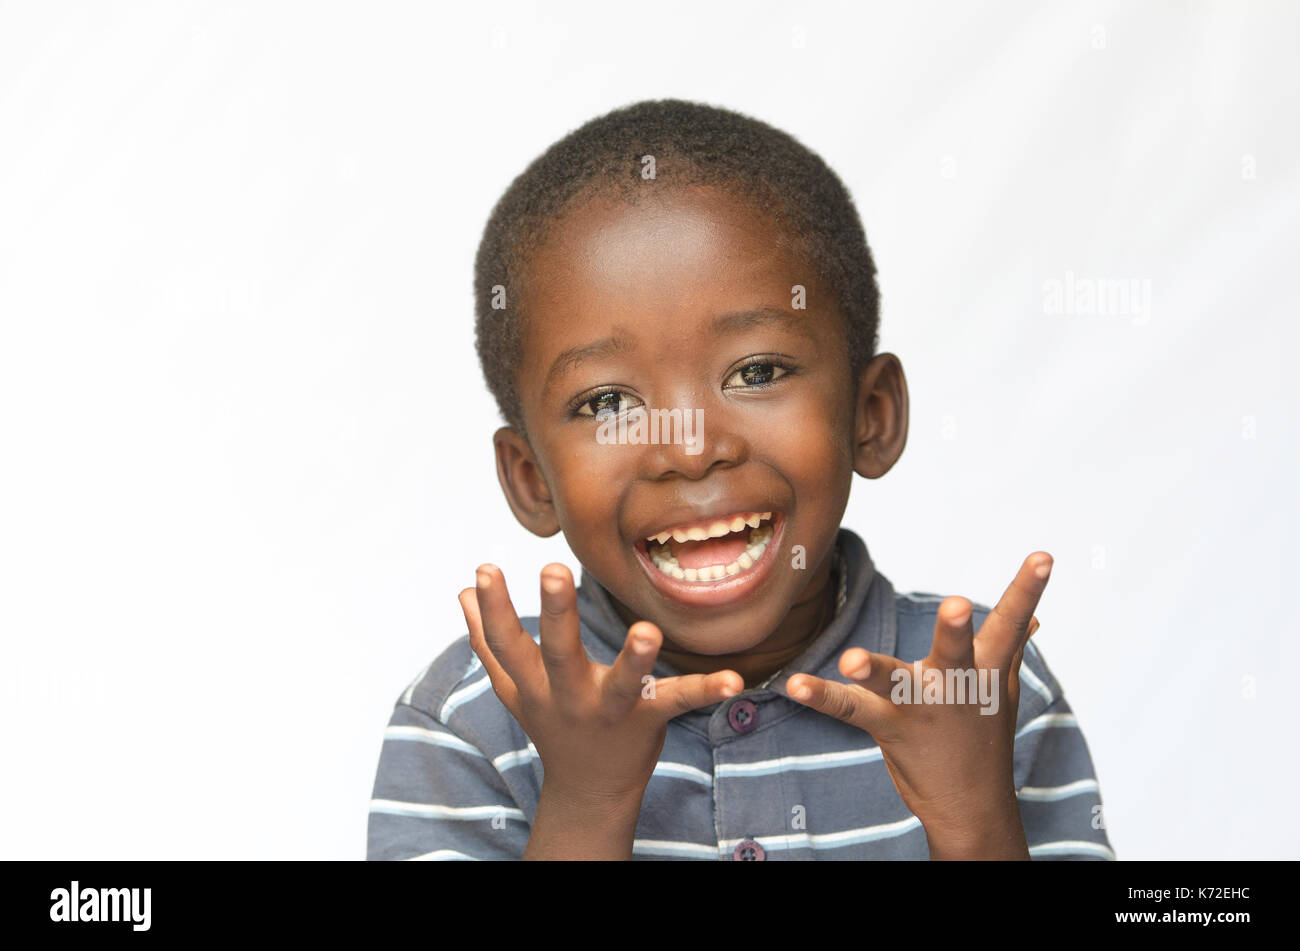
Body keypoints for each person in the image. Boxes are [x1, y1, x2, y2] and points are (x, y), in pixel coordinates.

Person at [366, 99, 1114, 861]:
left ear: (872, 413)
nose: (689, 450)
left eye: (756, 371)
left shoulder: (975, 687)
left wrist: (971, 813)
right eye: (608, 402)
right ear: (531, 479)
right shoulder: (473, 719)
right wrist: (586, 802)